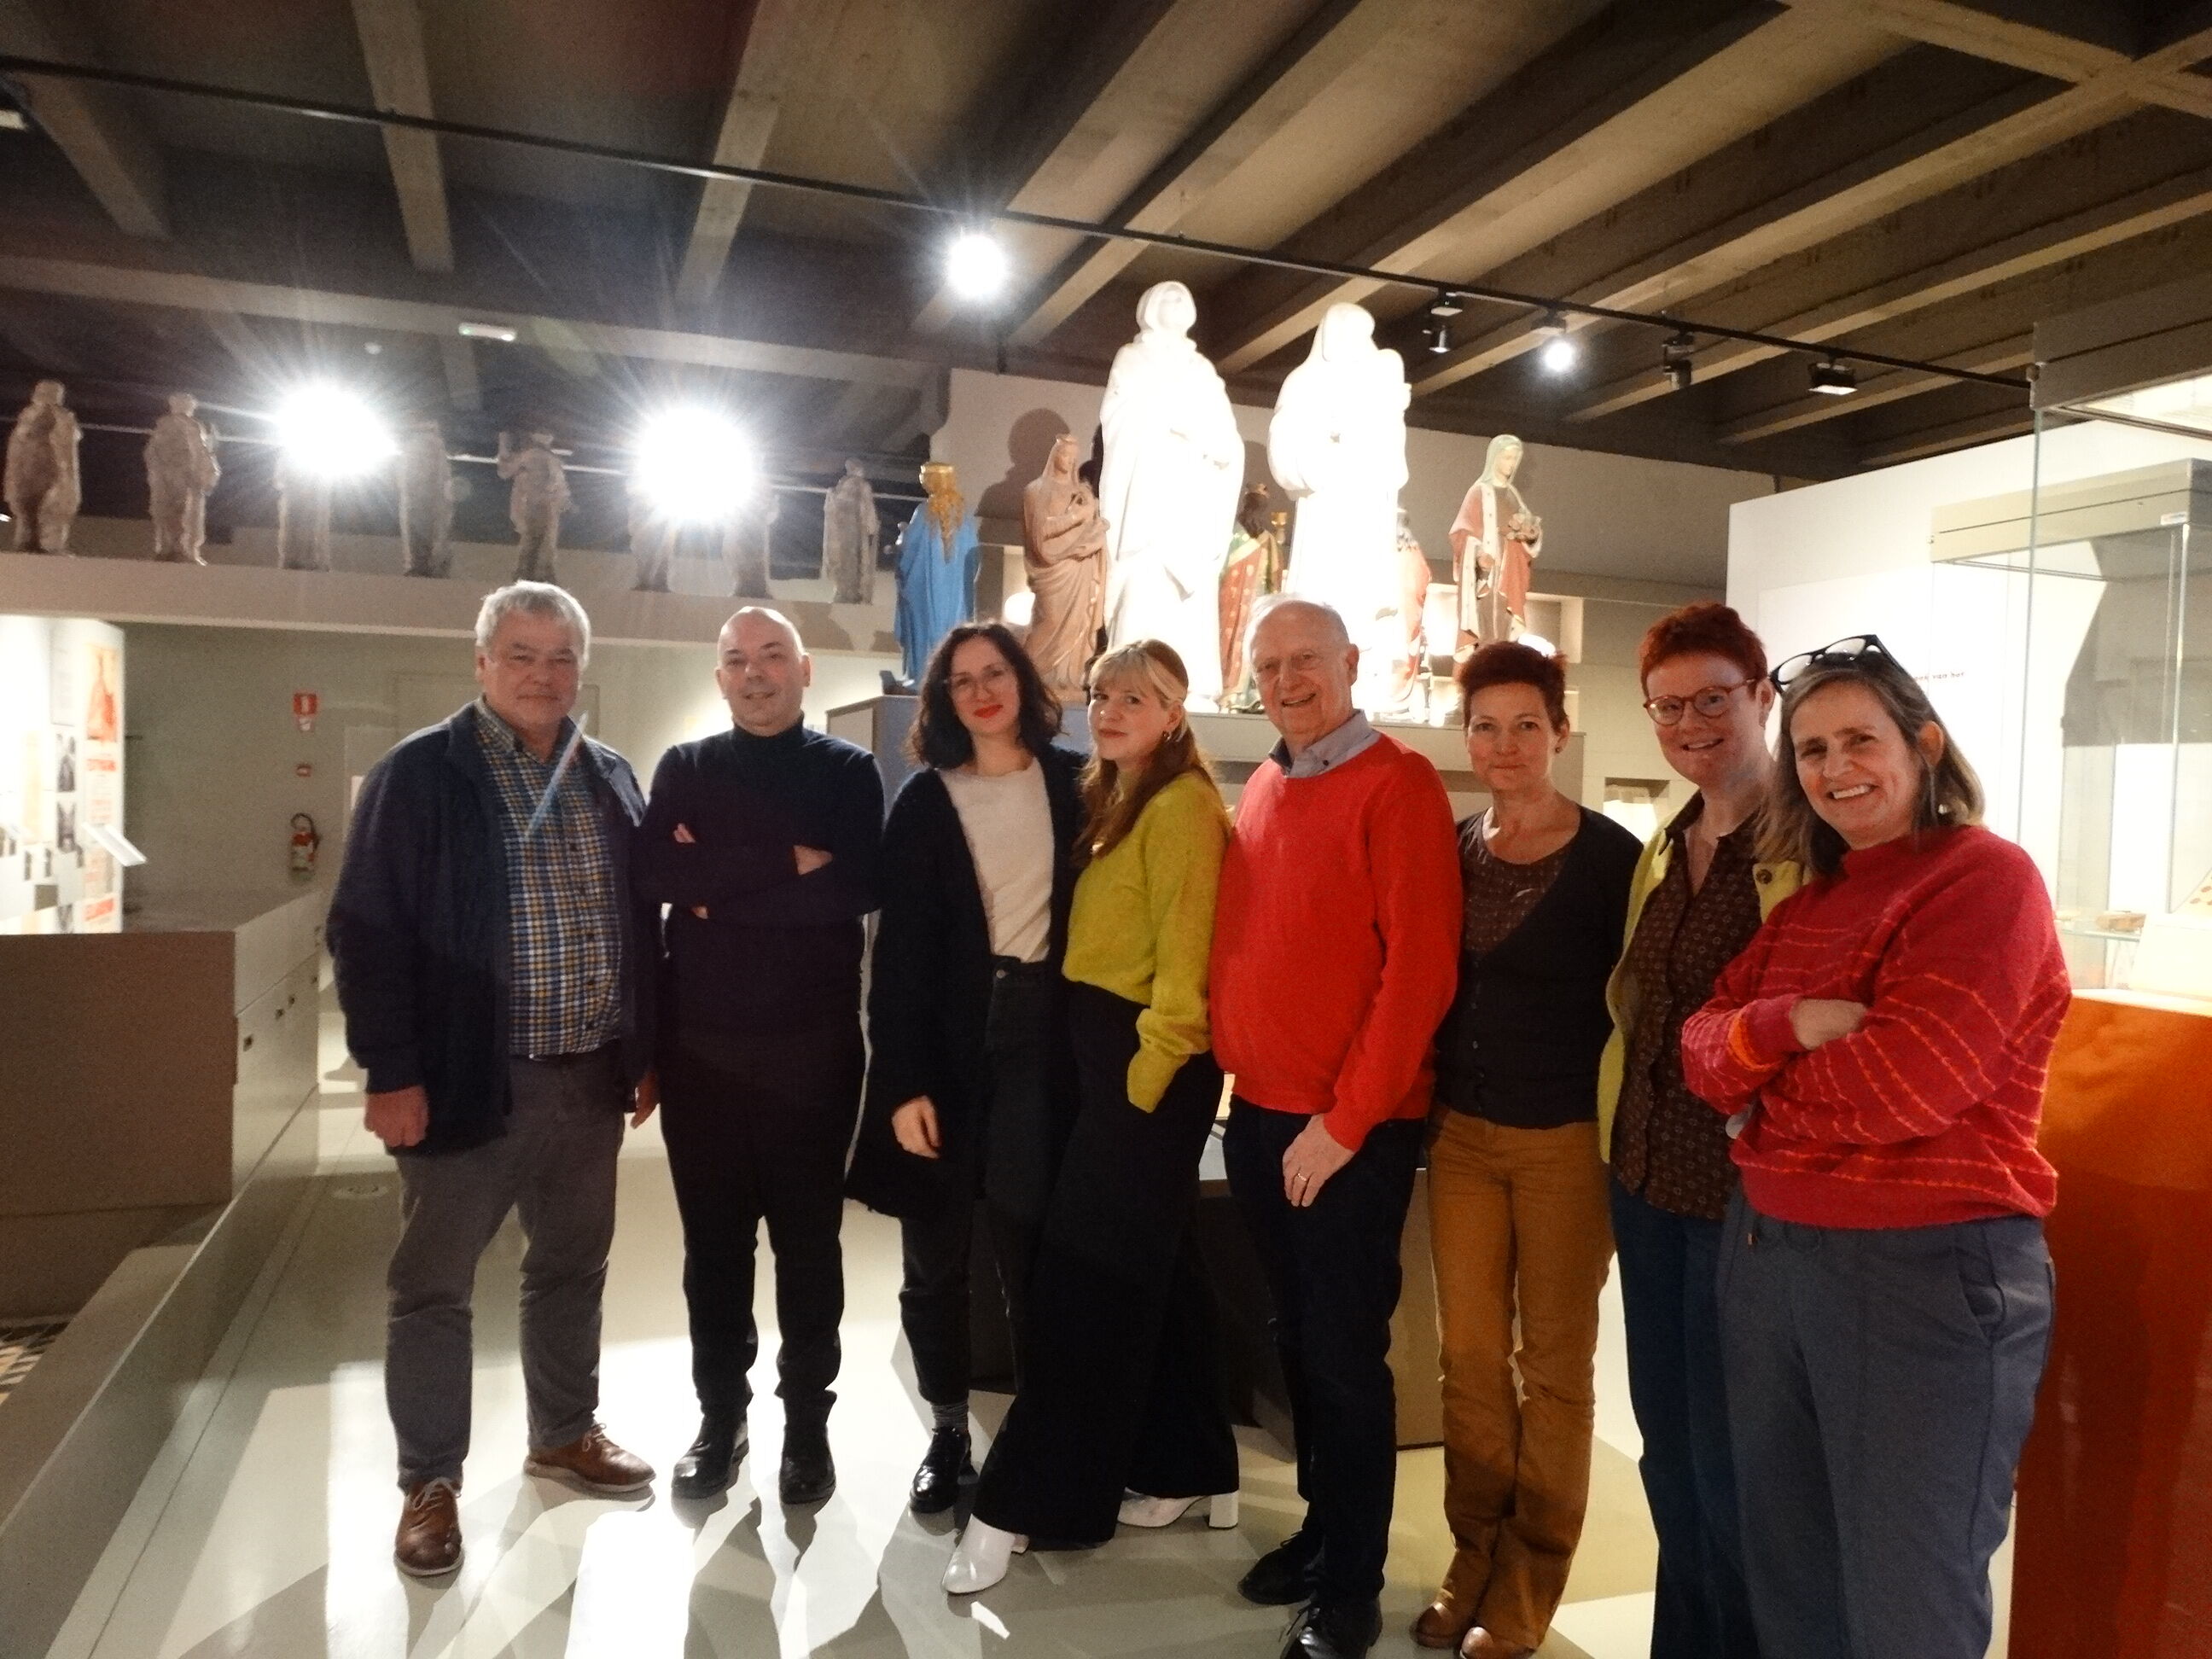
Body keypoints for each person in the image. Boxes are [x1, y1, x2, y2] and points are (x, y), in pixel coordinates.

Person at [1681, 635, 2068, 1659]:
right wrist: (1785, 1026)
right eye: (1811, 750)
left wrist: (1757, 1100)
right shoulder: (1813, 903)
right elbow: (1699, 1051)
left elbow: (1907, 1084)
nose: (1835, 768)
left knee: (1907, 1601)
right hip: (1770, 1260)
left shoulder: (1986, 882)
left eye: (1860, 740)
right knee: (1793, 1583)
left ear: (1923, 746)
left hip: (1922, 1273)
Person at [329, 581, 660, 1580]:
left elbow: (639, 924)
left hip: (587, 1080)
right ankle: (429, 1482)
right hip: (467, 1081)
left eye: (561, 657)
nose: (543, 675)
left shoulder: (610, 774)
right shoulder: (421, 773)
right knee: (434, 1289)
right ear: (481, 662)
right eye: (521, 654)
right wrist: (391, 1070)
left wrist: (642, 1049)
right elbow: (366, 929)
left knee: (571, 1266)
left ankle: (563, 1432)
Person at [943, 639, 1241, 1594]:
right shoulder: (1116, 795)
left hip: (1146, 1071)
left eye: (1135, 699)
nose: (1109, 711)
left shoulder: (1183, 807)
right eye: (1103, 694)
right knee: (1163, 1277)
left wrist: (1137, 1095)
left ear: (1174, 712)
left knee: (1080, 1293)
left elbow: (1185, 982)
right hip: (1101, 1060)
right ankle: (1195, 1466)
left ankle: (1025, 1501)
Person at [1209, 596, 1462, 1659]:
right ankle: (1322, 1533)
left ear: (1353, 662)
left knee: (1347, 1357)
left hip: (1347, 1132)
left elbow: (1420, 972)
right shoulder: (1268, 784)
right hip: (1261, 1119)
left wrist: (1347, 1123)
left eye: (1306, 659)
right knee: (1296, 1342)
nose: (1287, 681)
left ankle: (1352, 1582)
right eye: (1268, 666)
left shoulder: (1399, 785)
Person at [632, 608, 883, 1506]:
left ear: (804, 670)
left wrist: (721, 889)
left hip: (813, 1058)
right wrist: (788, 860)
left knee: (809, 1252)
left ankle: (807, 1425)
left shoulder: (847, 772)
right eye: (737, 660)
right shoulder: (687, 767)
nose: (755, 672)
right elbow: (658, 876)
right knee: (714, 1252)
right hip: (700, 1057)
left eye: (773, 655)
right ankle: (721, 1419)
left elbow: (855, 888)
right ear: (720, 678)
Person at [1419, 643, 1640, 1658]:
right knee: (1467, 1358)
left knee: (1552, 1369)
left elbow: (1638, 1010)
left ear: (1559, 731)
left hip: (1564, 1145)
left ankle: (1527, 1584)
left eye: (1524, 725)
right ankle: (1472, 1553)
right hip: (1462, 1137)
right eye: (1485, 726)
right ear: (1465, 737)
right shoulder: (1455, 848)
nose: (1503, 745)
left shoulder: (1610, 861)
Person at [846, 622, 1086, 1514]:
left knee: (1031, 1247)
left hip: (1043, 1037)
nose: (981, 692)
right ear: (943, 700)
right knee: (935, 1254)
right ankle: (948, 1430)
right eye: (961, 681)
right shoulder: (925, 800)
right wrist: (901, 1085)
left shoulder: (1076, 785)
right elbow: (898, 958)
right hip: (946, 1043)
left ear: (1022, 681)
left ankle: (1040, 1430)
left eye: (995, 673)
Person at [1599, 604, 1796, 1659]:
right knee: (1668, 1452)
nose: (1690, 724)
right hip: (1646, 1181)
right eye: (1668, 707)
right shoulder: (1668, 843)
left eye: (1713, 699)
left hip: (1741, 1202)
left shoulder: (1806, 848)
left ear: (1761, 696)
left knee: (1736, 1467)